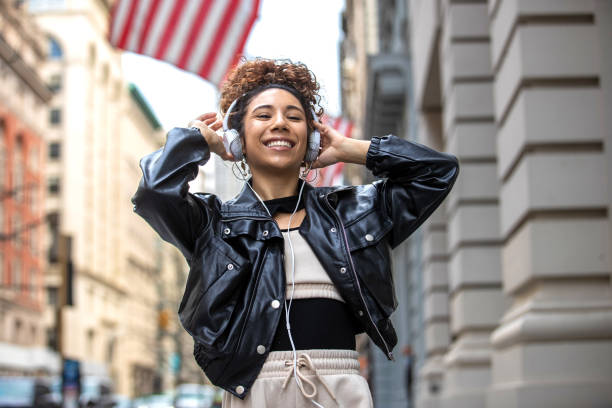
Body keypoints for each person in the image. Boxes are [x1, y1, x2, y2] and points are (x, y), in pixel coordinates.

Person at [132, 58, 459, 407]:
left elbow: (436, 173)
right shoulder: (213, 225)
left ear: (313, 138)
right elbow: (154, 194)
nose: (279, 124)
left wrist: (350, 149)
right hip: (255, 389)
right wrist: (194, 141)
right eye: (263, 115)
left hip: (339, 387)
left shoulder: (354, 211)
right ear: (236, 139)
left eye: (294, 116)